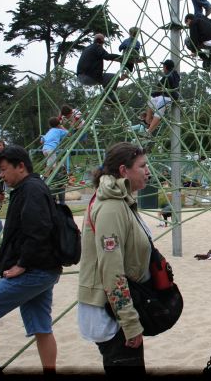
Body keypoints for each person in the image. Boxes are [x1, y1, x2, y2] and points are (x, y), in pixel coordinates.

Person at [0, 145, 63, 375]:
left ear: (20, 166)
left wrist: (22, 264)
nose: (1, 175)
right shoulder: (28, 188)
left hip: (35, 271)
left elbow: (38, 231)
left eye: (3, 169)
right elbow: (16, 236)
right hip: (43, 269)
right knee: (42, 328)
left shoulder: (31, 190)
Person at [78, 142, 152, 376]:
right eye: (142, 166)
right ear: (123, 170)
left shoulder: (120, 200)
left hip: (116, 308)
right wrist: (129, 322)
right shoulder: (111, 206)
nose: (147, 171)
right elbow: (111, 269)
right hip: (110, 313)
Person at [76, 33, 122, 102]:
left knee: (107, 78)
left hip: (81, 76)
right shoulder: (97, 47)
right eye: (103, 40)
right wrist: (122, 57)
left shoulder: (87, 48)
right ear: (101, 41)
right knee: (115, 77)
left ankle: (107, 96)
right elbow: (107, 56)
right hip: (89, 76)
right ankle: (108, 97)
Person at [142, 59, 181, 135]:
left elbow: (159, 86)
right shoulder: (175, 74)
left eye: (163, 67)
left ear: (165, 67)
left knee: (158, 112)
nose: (163, 69)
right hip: (166, 96)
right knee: (151, 101)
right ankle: (148, 121)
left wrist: (158, 91)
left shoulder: (168, 75)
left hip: (167, 98)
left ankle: (148, 131)